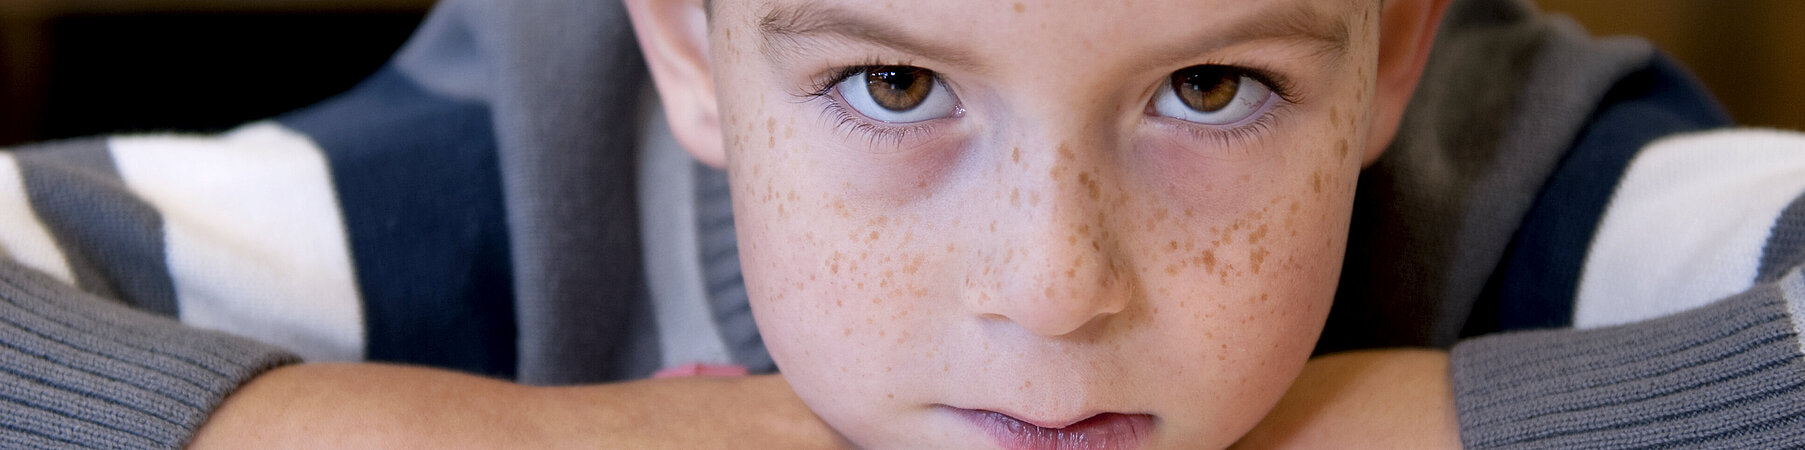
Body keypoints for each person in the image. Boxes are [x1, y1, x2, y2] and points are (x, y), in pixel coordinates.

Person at [1, 0, 1800, 449]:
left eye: (1208, 89)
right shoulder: (512, 162)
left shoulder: (1512, 177)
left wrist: (1397, 421)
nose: (1052, 291)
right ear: (691, 48)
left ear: (1387, 51)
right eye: (892, 87)